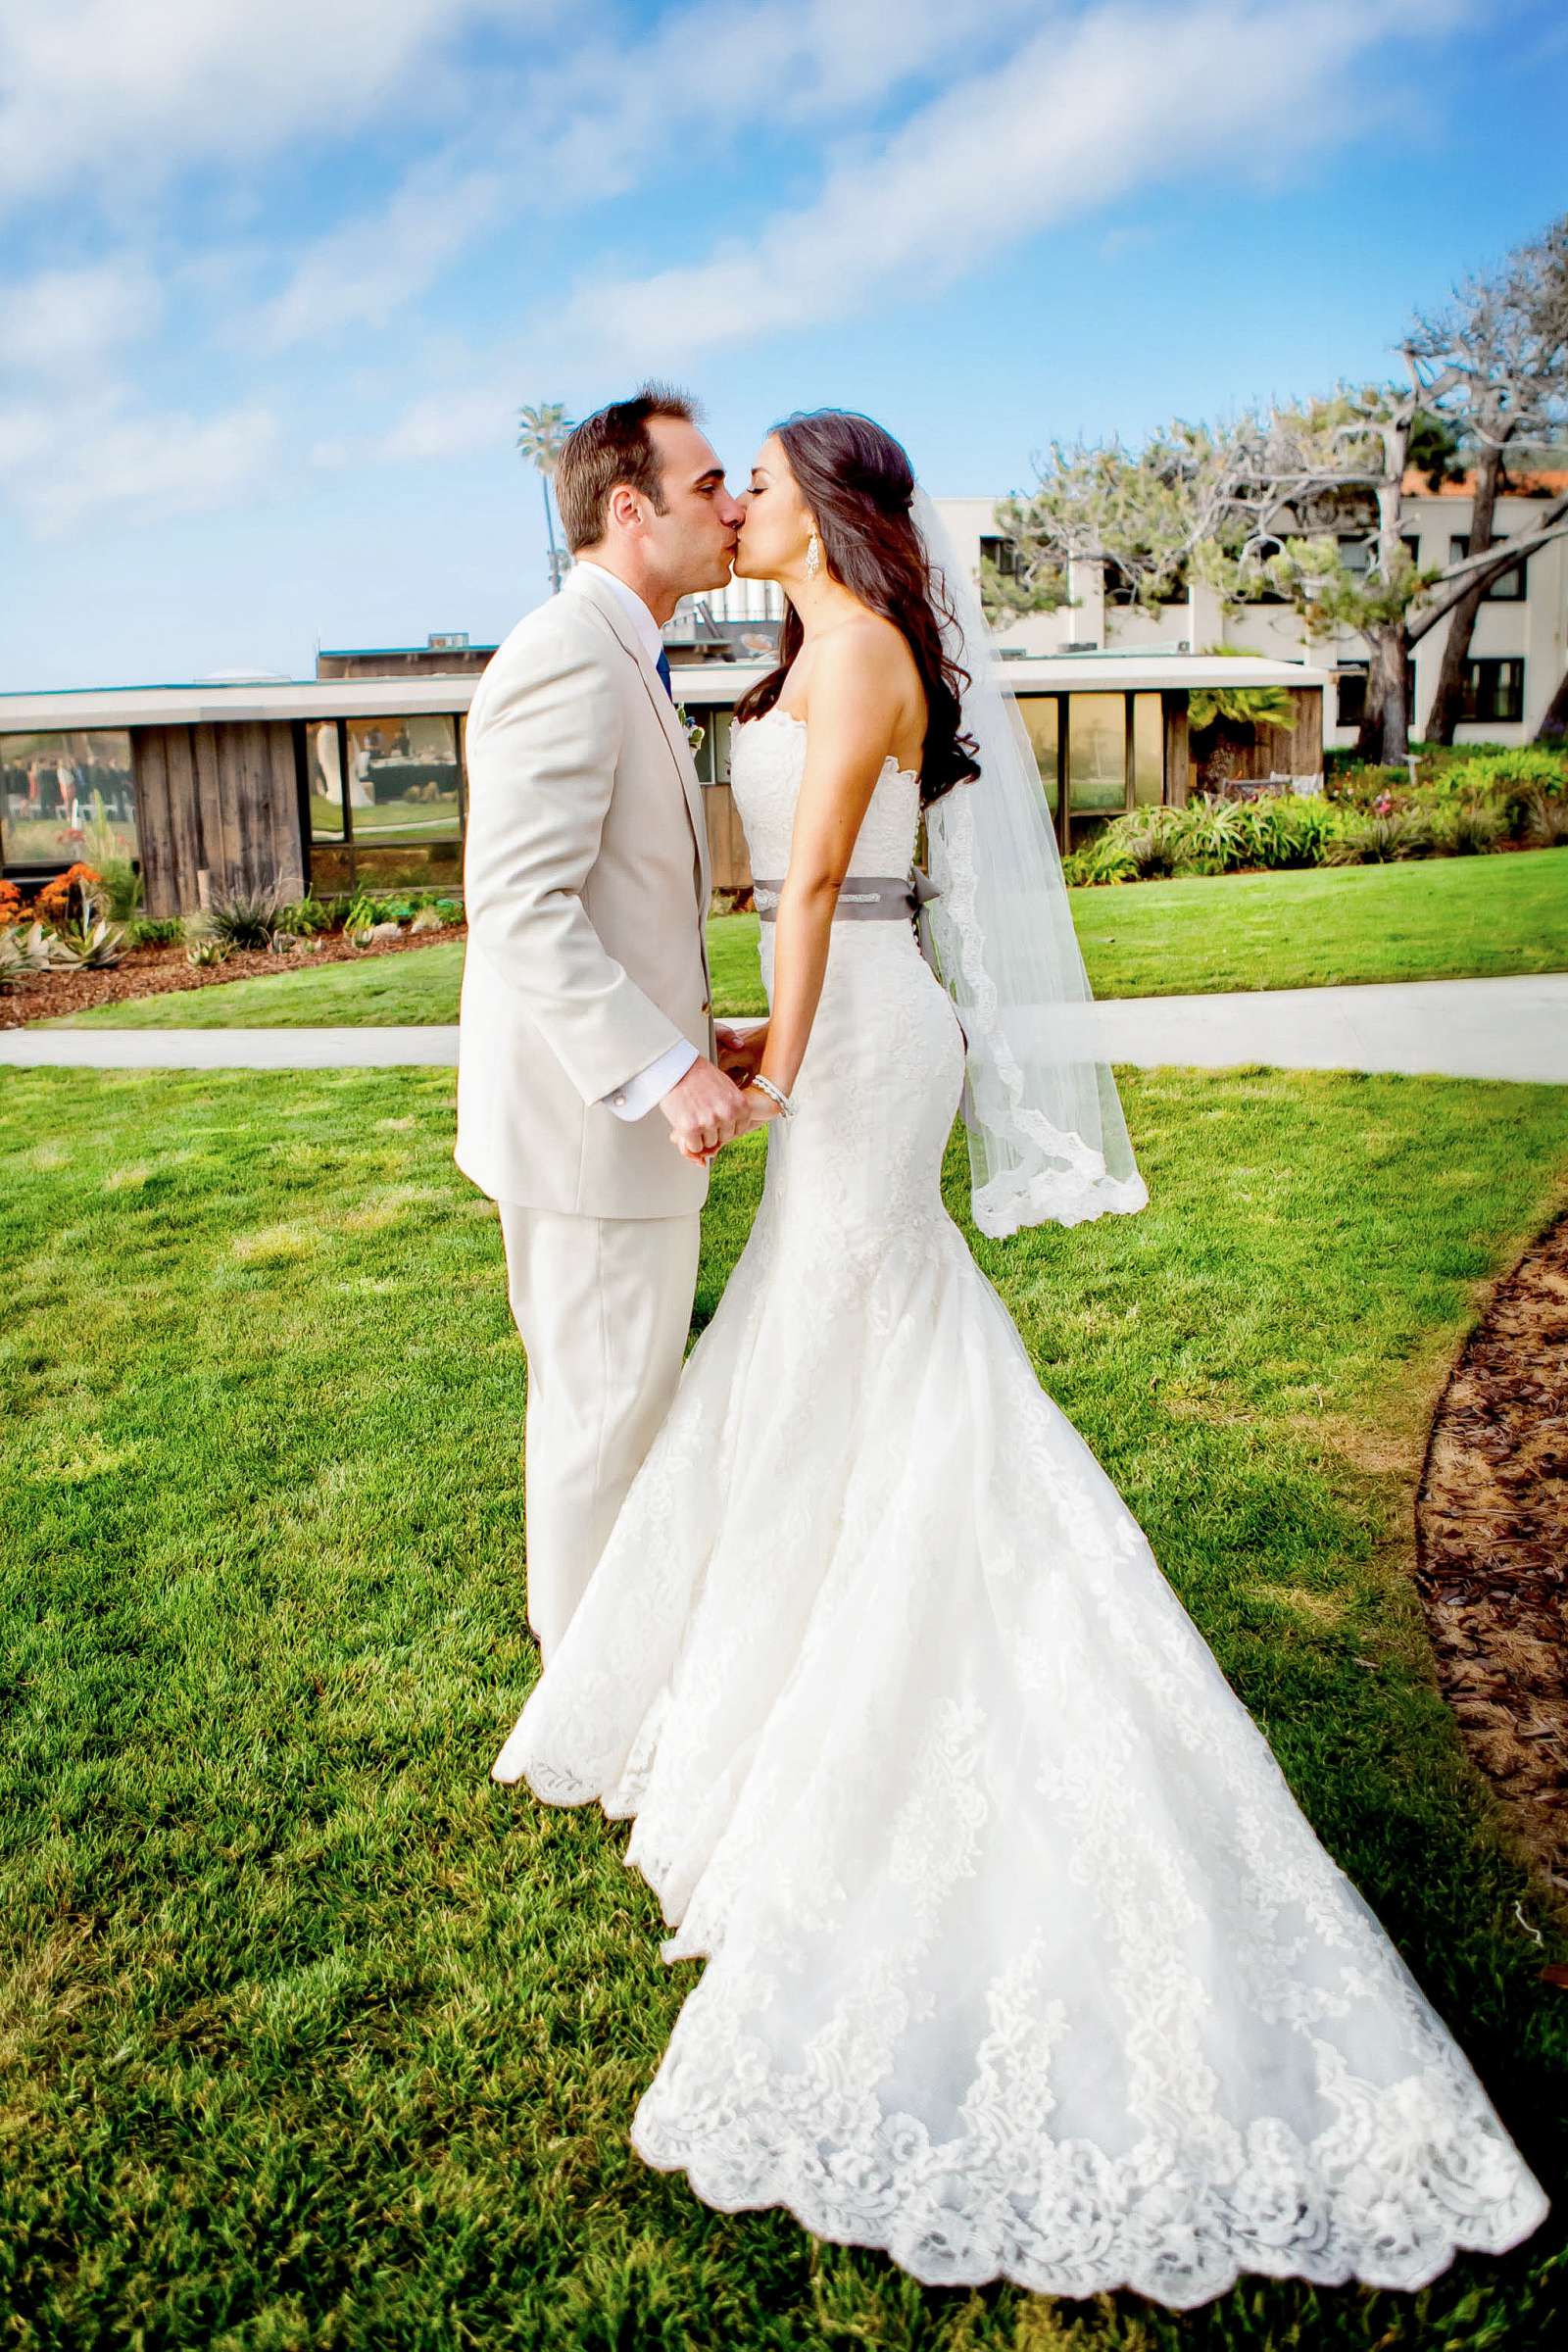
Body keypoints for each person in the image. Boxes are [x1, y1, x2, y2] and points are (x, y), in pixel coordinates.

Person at [489, 408, 1548, 2307]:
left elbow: (815, 891)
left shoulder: (870, 648)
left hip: (863, 1039)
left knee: (865, 1341)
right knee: (817, 1353)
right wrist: (735, 1036)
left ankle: (867, 1666)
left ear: (832, 507)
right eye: (716, 478)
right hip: (824, 1030)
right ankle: (762, 1671)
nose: (740, 498)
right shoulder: (796, 651)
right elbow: (756, 890)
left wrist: (778, 1068)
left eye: (765, 478)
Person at [455, 385, 762, 1658]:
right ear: (628, 509)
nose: (733, 507)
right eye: (707, 488)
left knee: (620, 1407)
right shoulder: (567, 655)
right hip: (586, 1133)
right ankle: (585, 1707)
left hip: (609, 1118)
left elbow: (611, 897)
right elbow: (520, 906)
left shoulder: (625, 653)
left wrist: (695, 1029)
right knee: (599, 1420)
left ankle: (617, 1671)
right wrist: (658, 1067)